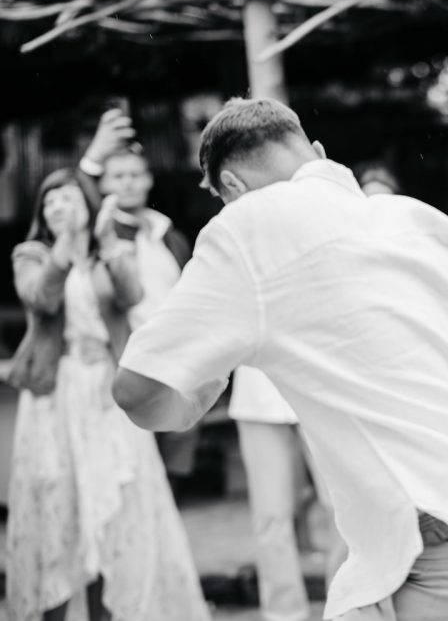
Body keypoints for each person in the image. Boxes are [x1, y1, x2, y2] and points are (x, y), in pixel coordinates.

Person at [110, 97, 448, 620]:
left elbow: (136, 390)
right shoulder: (413, 215)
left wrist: (197, 398)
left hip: (437, 557)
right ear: (314, 152)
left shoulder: (248, 225)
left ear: (231, 188)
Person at [4, 168, 210, 621]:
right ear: (42, 212)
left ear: (88, 204)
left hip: (108, 395)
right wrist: (65, 246)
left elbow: (132, 293)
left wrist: (108, 243)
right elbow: (41, 299)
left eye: (68, 197)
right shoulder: (32, 254)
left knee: (111, 513)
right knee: (58, 514)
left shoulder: (106, 253)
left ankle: (108, 614)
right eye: (50, 200)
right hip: (54, 400)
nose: (59, 205)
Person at [79, 109, 200, 494]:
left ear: (148, 179)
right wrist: (93, 158)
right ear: (102, 186)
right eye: (117, 177)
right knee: (139, 454)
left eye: (134, 174)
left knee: (181, 439)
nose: (128, 183)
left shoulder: (169, 234)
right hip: (129, 356)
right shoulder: (99, 234)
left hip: (179, 355)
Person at [229, 365, 345, 621]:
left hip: (320, 391)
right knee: (270, 515)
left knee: (342, 509)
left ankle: (346, 607)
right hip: (256, 396)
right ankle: (283, 613)